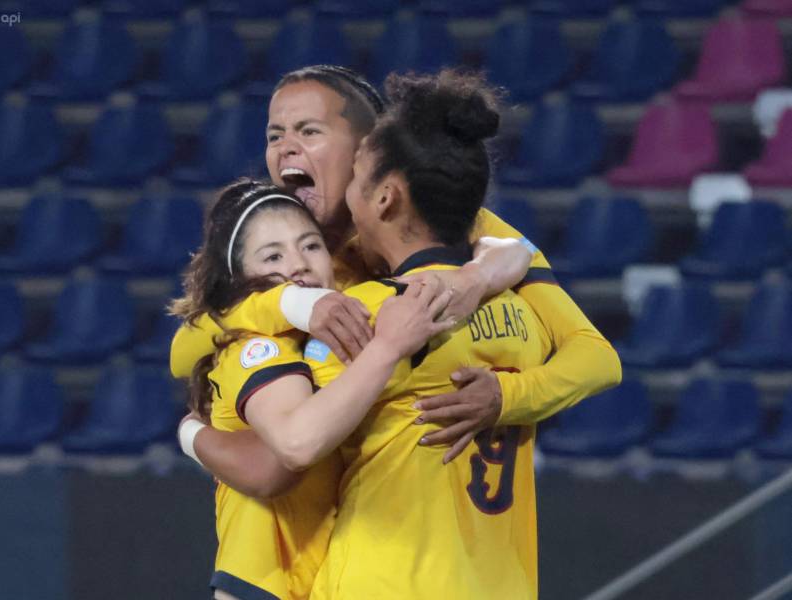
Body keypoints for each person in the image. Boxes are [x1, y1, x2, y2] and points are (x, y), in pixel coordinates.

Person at [170, 64, 621, 462]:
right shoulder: (269, 252)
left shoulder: (469, 229)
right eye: (274, 135)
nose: (285, 148)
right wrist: (293, 304)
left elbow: (596, 358)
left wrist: (505, 385)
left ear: (366, 148)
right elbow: (182, 352)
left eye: (309, 132)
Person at [171, 178, 455, 600]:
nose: (299, 263)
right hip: (268, 588)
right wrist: (389, 347)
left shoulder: (315, 342)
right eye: (273, 255)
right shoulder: (258, 346)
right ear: (241, 277)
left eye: (310, 246)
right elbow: (282, 459)